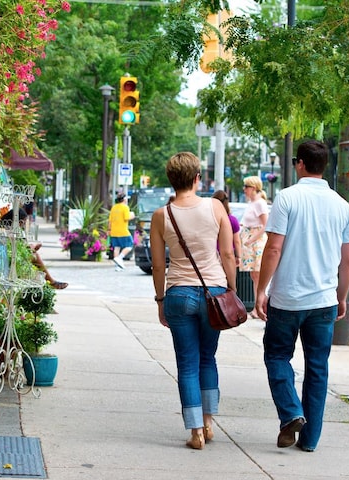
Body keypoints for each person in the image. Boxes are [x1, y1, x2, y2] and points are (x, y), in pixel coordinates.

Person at [255, 140, 349, 453]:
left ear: (299, 164)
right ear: (325, 166)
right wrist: (342, 296)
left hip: (287, 298)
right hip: (323, 301)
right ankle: (310, 440)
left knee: (276, 355)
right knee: (318, 368)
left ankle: (290, 412)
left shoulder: (287, 198)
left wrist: (261, 290)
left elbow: (273, 247)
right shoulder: (342, 205)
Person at [150, 152, 237, 450]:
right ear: (198, 177)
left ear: (171, 180)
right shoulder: (215, 207)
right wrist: (232, 288)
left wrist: (160, 300)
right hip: (213, 291)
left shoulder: (162, 215)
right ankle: (210, 423)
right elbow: (227, 254)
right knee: (207, 358)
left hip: (177, 293)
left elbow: (159, 265)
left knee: (186, 364)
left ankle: (195, 431)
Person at [0, 209, 68, 289]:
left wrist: (30, 248)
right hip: (8, 259)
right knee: (34, 256)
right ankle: (51, 282)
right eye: (24, 222)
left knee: (34, 255)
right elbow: (14, 250)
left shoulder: (12, 231)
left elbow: (19, 248)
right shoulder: (8, 232)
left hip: (12, 257)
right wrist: (30, 249)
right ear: (20, 222)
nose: (24, 225)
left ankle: (50, 282)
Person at [240, 176, 269, 318]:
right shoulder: (252, 203)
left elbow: (265, 224)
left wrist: (251, 239)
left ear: (253, 188)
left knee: (258, 274)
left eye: (246, 186)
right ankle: (256, 307)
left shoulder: (259, 203)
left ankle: (259, 307)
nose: (244, 189)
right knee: (254, 275)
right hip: (250, 241)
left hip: (256, 242)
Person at [212, 190, 242, 267]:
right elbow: (237, 241)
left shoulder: (210, 218)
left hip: (212, 256)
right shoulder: (232, 220)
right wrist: (239, 256)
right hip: (228, 256)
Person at [108, 192, 135, 271]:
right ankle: (119, 258)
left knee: (117, 248)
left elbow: (110, 220)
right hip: (123, 231)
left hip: (114, 231)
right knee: (129, 245)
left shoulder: (114, 207)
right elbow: (126, 217)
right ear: (124, 199)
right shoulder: (125, 207)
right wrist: (132, 215)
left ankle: (117, 266)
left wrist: (109, 230)